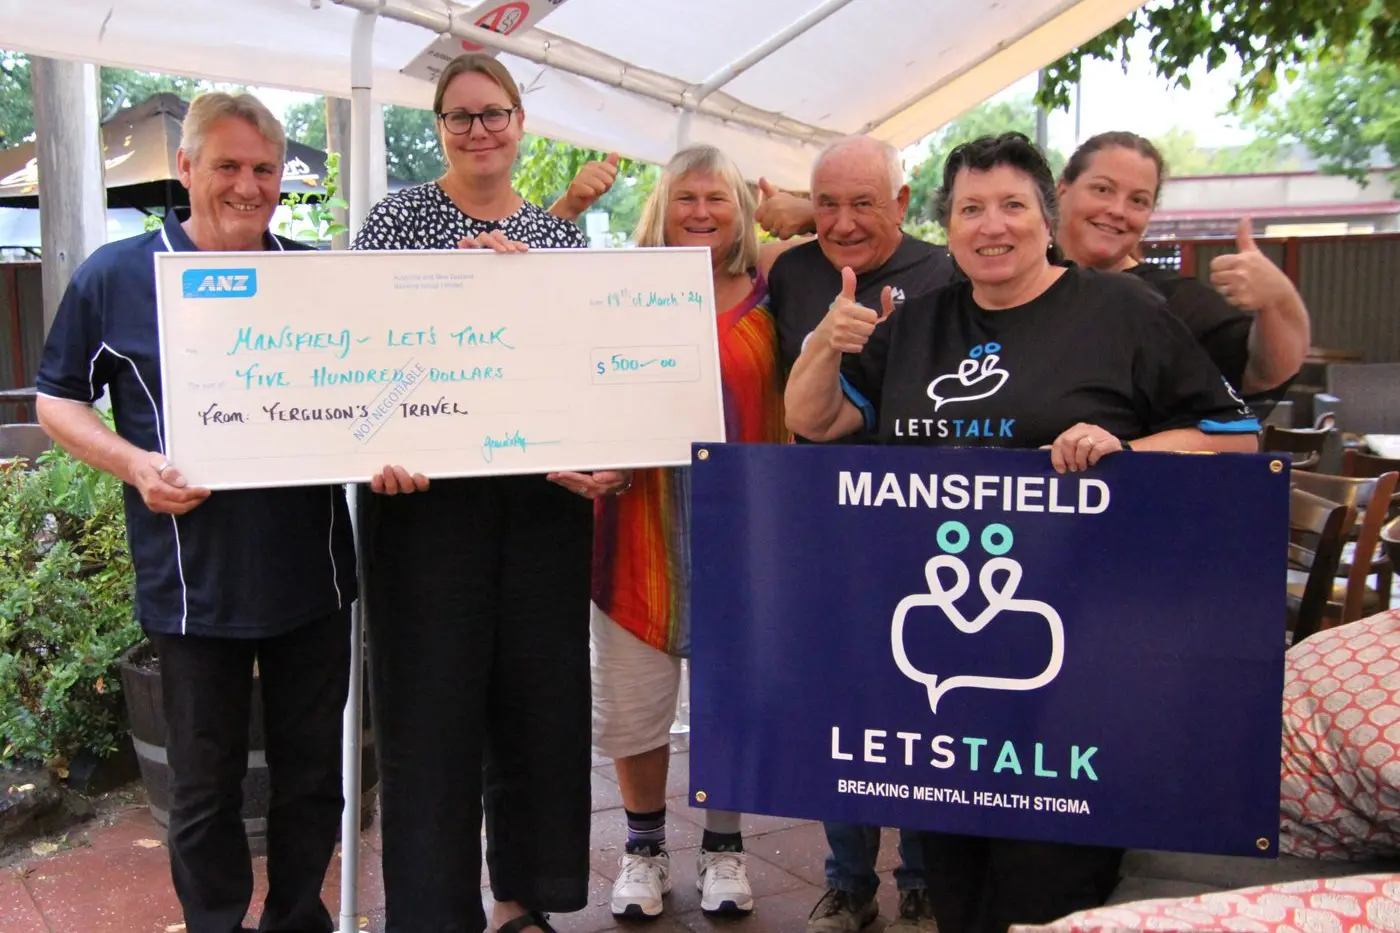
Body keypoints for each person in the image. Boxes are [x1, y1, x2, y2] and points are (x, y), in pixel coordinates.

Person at [784, 132, 1259, 933]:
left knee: (1047, 886)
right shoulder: (920, 324)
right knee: (959, 885)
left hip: (1084, 666)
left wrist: (1124, 449)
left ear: (1046, 217)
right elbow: (815, 419)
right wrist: (822, 347)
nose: (990, 225)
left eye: (1011, 205)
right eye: (970, 208)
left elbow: (1234, 439)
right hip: (942, 673)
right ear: (949, 224)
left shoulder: (1126, 313)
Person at [34, 92, 356, 933]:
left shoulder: (317, 279)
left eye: (263, 169)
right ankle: (215, 922)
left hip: (312, 571)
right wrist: (134, 463)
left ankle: (297, 919)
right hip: (191, 581)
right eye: (228, 166)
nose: (248, 186)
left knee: (313, 774)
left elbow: (386, 385)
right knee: (205, 784)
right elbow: (56, 399)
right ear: (186, 169)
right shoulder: (117, 275)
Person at [348, 53, 626, 933]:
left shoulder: (558, 237)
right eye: (460, 116)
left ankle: (524, 898)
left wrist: (601, 453)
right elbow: (356, 352)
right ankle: (432, 913)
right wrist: (378, 445)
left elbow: (580, 370)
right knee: (427, 709)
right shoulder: (396, 220)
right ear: (438, 129)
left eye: (493, 113)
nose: (479, 130)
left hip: (540, 500)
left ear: (520, 122)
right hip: (425, 502)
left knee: (539, 701)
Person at [584, 143, 792, 920]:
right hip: (636, 528)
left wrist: (792, 208)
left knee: (734, 701)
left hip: (747, 538)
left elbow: (823, 240)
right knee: (634, 707)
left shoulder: (777, 293)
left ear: (741, 210)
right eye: (685, 198)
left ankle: (724, 846)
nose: (701, 212)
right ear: (660, 209)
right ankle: (642, 849)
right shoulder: (619, 294)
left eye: (718, 198)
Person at [770, 136, 948, 933]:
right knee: (838, 701)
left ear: (903, 203)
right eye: (826, 203)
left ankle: (921, 874)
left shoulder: (947, 272)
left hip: (927, 524)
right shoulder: (790, 269)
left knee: (927, 698)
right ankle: (848, 881)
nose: (841, 222)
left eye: (863, 203)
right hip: (820, 524)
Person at [1054, 131, 1310, 402]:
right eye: (1103, 189)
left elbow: (1262, 376)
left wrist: (1279, 299)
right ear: (1062, 190)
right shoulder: (1014, 281)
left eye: (1138, 200)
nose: (1118, 210)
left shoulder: (1171, 303)